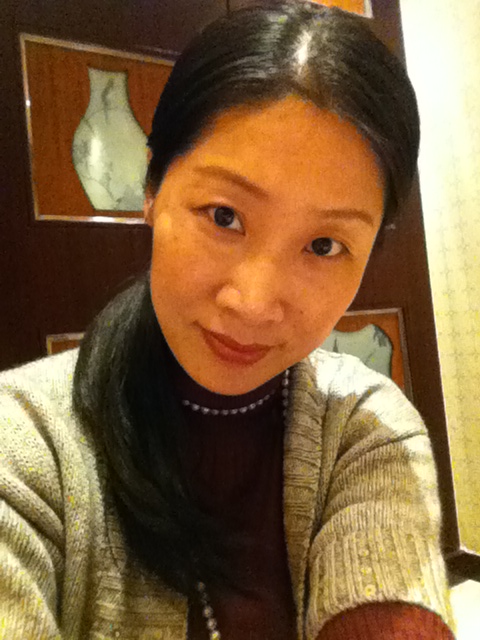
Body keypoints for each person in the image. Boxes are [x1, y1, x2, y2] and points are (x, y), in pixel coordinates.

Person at [0, 2, 457, 639]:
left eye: (324, 245)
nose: (254, 302)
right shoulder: (24, 445)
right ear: (152, 189)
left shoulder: (364, 428)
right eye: (224, 216)